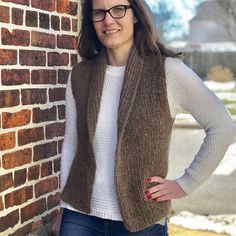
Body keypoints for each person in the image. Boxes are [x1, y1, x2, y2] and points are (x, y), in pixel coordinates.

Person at [56, 0, 236, 235]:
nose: (108, 20)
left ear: (136, 15)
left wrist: (186, 183)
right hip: (79, 218)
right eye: (99, 13)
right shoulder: (80, 75)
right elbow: (72, 143)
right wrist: (63, 207)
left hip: (142, 222)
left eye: (118, 9)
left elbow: (222, 125)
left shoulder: (166, 71)